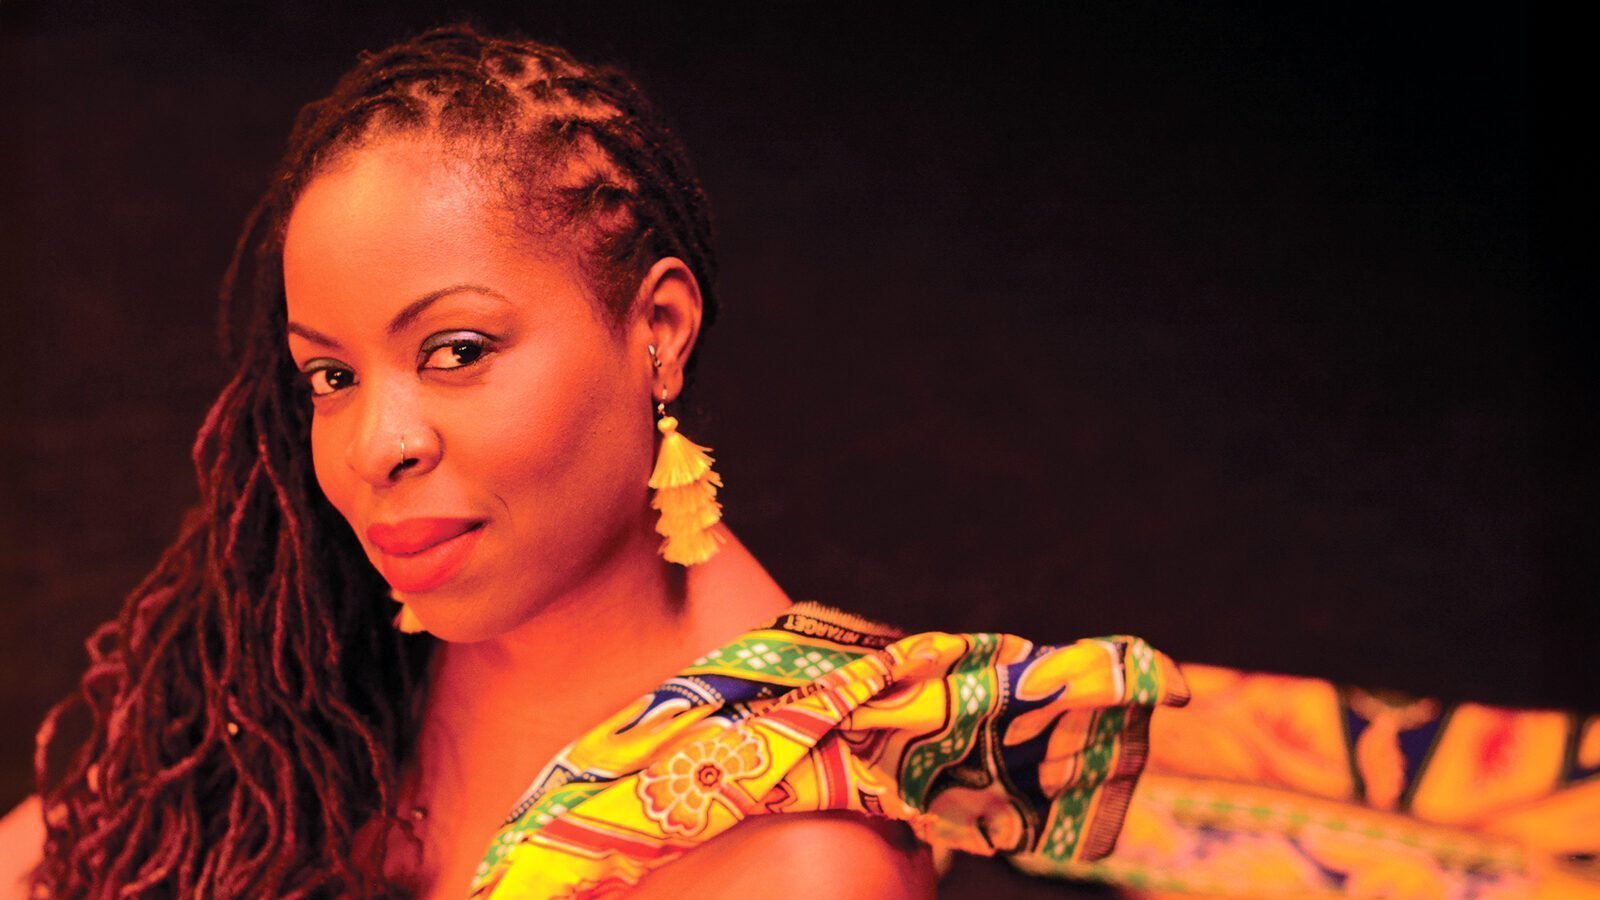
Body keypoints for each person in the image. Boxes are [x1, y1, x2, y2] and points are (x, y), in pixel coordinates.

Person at [0, 23, 1190, 898]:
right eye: (332, 375)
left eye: (456, 350)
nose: (376, 446)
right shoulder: (334, 640)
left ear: (657, 331)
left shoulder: (790, 861)